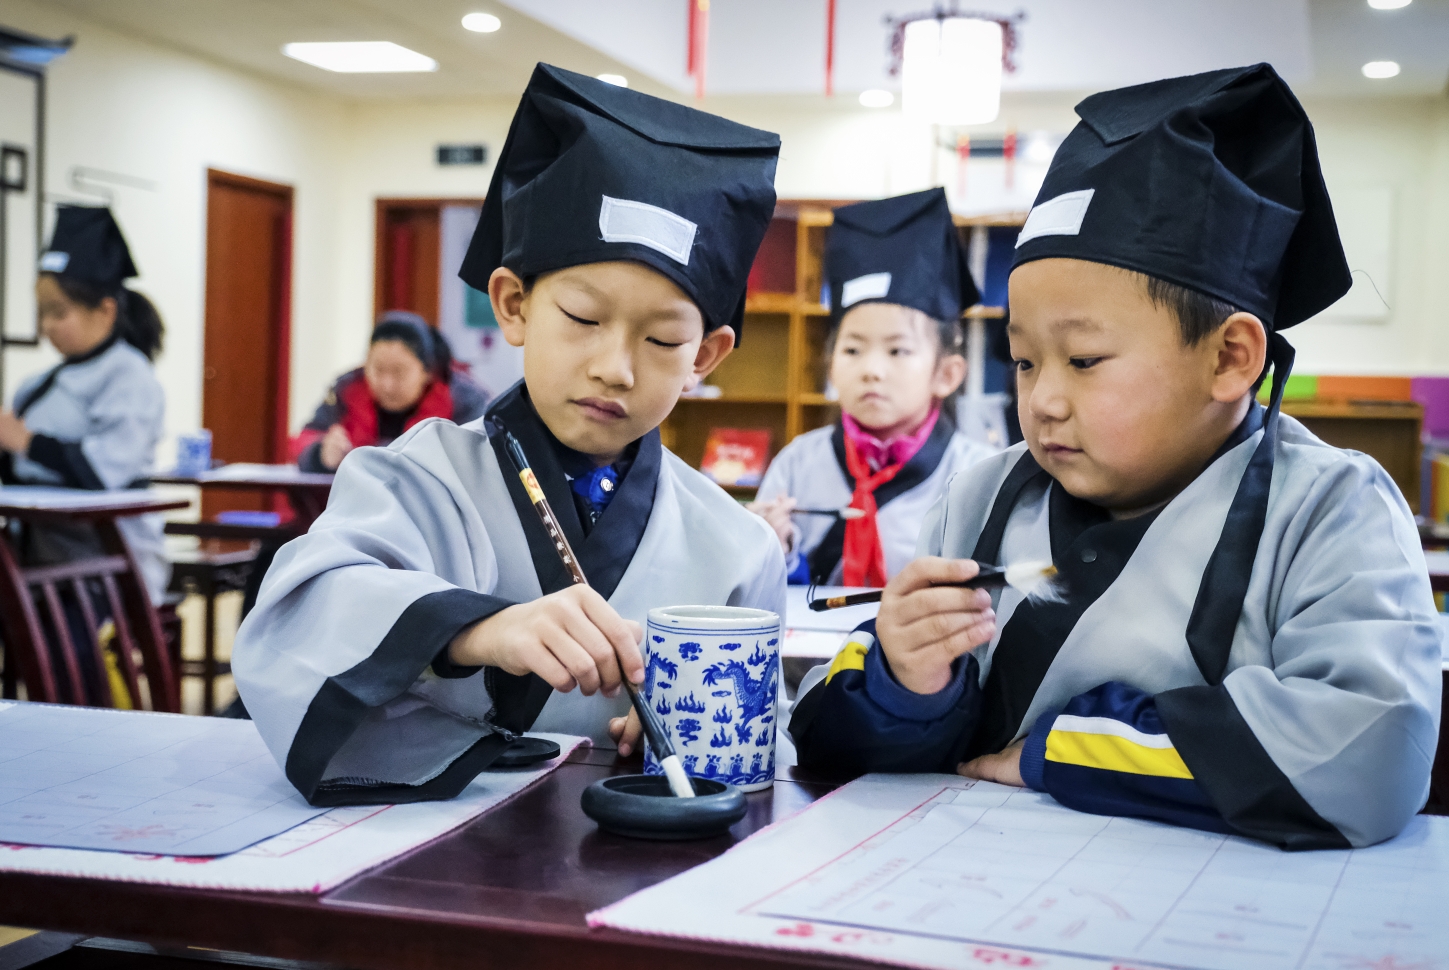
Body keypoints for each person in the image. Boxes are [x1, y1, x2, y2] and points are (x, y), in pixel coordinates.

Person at [788, 64, 1441, 850]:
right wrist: (904, 681)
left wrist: (1053, 752)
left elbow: (1366, 750)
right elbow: (829, 722)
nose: (1043, 401)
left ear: (1230, 358)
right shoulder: (980, 497)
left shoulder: (1331, 509)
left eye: (1085, 360)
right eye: (1023, 362)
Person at [232, 63, 786, 805]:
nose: (615, 368)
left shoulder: (735, 544)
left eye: (661, 341)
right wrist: (478, 630)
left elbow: (763, 739)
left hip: (629, 869)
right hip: (406, 858)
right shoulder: (415, 477)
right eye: (583, 319)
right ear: (514, 303)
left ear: (704, 359)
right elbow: (298, 623)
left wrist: (686, 738)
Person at [751, 189, 999, 587]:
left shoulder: (980, 475)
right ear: (830, 365)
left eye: (898, 350)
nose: (872, 370)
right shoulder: (797, 464)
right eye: (852, 349)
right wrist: (770, 550)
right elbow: (760, 591)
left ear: (946, 374)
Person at [0, 206, 168, 603]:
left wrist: (26, 441)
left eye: (59, 313)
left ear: (105, 311)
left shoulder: (131, 378)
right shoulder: (35, 384)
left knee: (67, 651)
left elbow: (101, 471)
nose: (46, 327)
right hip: (40, 561)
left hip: (109, 569)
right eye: (42, 314)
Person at [293, 311, 490, 473]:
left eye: (399, 372)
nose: (387, 384)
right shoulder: (346, 389)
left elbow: (482, 458)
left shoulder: (465, 400)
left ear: (427, 371)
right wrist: (320, 453)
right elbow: (304, 438)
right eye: (378, 370)